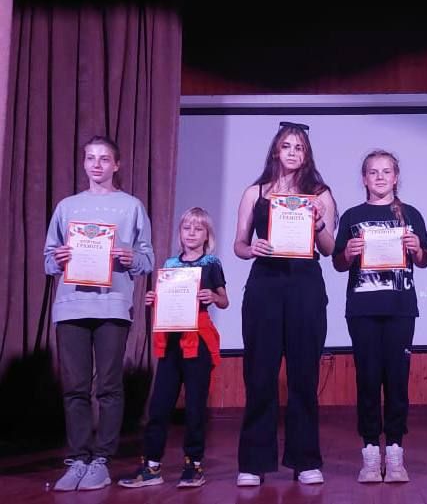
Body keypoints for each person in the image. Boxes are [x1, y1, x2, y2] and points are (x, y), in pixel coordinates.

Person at [43, 135, 154, 491]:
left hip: (112, 306)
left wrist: (131, 258)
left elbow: (147, 259)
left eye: (104, 158)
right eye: (90, 158)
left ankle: (101, 461)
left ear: (116, 165)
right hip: (71, 307)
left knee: (108, 386)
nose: (96, 164)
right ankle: (78, 458)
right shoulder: (67, 206)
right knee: (75, 388)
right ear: (84, 163)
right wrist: (58, 258)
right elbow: (48, 261)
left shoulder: (131, 206)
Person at [234, 122, 337, 486]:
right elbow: (239, 244)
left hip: (305, 285)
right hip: (264, 285)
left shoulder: (320, 194)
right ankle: (253, 463)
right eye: (287, 146)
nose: (292, 152)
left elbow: (329, 249)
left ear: (306, 155)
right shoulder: (255, 192)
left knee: (303, 375)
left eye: (299, 147)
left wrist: (319, 224)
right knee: (259, 374)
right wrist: (252, 248)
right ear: (276, 151)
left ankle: (305, 460)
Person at [333, 150, 427, 483]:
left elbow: (425, 260)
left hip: (400, 308)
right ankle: (370, 454)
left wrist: (417, 248)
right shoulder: (352, 215)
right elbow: (338, 263)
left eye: (386, 171)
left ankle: (396, 452)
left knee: (397, 381)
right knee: (367, 380)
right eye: (373, 172)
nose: (379, 177)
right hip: (362, 310)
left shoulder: (411, 214)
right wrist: (348, 253)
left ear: (395, 177)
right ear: (364, 178)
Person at [118, 207, 228, 489]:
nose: (191, 233)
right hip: (171, 341)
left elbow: (224, 300)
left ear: (207, 235)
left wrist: (212, 296)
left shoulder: (211, 263)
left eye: (198, 229)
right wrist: (154, 298)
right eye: (186, 228)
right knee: (159, 405)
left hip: (198, 340)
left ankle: (194, 465)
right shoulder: (170, 263)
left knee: (194, 407)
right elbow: (168, 299)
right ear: (180, 232)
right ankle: (151, 466)